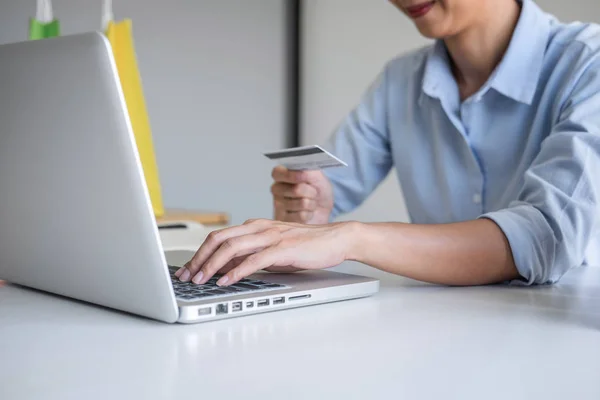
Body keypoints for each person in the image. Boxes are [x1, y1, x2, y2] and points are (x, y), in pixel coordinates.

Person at [176, 0, 600, 288]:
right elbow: (327, 193)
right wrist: (307, 212)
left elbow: (546, 238)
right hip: (443, 329)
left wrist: (353, 239)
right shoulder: (401, 80)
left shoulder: (588, 64)